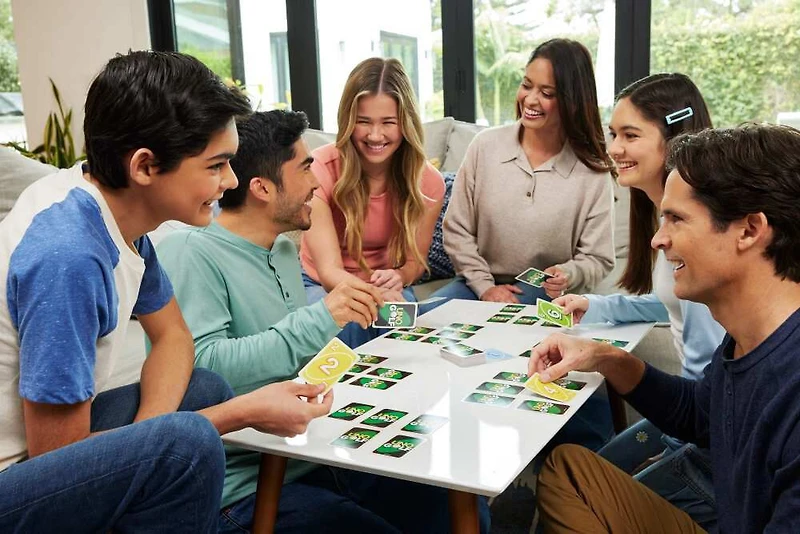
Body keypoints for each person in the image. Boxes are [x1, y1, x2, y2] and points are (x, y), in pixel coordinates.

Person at [0, 51, 331, 533]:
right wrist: (236, 415)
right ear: (145, 166)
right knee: (186, 443)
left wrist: (145, 442)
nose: (232, 181)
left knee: (204, 391)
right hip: (17, 472)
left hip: (41, 455)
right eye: (216, 165)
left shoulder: (116, 213)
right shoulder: (67, 256)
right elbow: (59, 461)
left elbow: (175, 337)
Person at [156, 109, 490, 533]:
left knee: (459, 504)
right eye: (305, 167)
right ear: (261, 188)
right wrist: (322, 317)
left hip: (313, 452)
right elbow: (203, 368)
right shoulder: (190, 252)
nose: (317, 183)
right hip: (243, 487)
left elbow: (300, 362)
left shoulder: (279, 250)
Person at [533, 123, 800, 533]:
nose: (659, 240)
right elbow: (700, 415)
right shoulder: (747, 338)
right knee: (570, 469)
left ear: (749, 230)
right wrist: (606, 358)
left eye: (676, 219)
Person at [552, 73, 724, 530]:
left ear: (674, 139)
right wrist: (596, 305)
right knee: (590, 467)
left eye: (630, 135)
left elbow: (711, 376)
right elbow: (672, 302)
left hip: (705, 433)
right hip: (692, 416)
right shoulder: (663, 214)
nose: (614, 148)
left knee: (574, 486)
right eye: (613, 134)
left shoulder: (699, 233)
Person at [434, 38, 616, 306]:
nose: (530, 99)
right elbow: (457, 230)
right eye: (526, 85)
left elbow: (598, 258)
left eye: (547, 93)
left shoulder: (592, 173)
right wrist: (485, 287)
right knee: (426, 319)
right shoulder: (485, 146)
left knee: (510, 327)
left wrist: (567, 274)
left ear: (572, 101)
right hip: (476, 283)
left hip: (540, 288)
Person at [300, 57, 445, 348]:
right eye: (363, 122)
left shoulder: (429, 182)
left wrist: (398, 276)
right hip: (320, 285)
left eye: (388, 123)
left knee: (413, 343)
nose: (375, 135)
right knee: (355, 320)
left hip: (384, 291)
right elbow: (328, 271)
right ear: (349, 121)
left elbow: (415, 262)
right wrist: (374, 296)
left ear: (405, 124)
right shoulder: (318, 171)